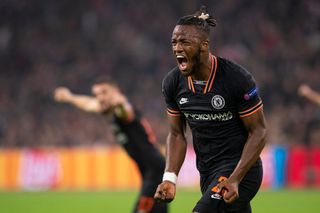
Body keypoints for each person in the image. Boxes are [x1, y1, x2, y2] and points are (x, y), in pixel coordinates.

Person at [154, 6, 267, 213]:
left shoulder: (236, 79)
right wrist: (169, 178)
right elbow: (177, 134)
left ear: (204, 45)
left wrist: (234, 179)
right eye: (174, 42)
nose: (177, 48)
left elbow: (259, 131)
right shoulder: (172, 82)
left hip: (241, 170)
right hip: (207, 172)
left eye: (184, 42)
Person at [54, 78, 168, 213]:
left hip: (154, 170)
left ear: (115, 93)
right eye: (96, 95)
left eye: (104, 92)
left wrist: (119, 103)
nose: (100, 98)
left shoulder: (121, 108)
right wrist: (70, 97)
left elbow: (126, 112)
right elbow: (89, 104)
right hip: (148, 170)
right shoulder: (109, 109)